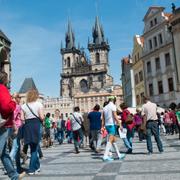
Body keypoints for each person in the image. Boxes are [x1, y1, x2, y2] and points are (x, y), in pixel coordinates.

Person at [0, 71, 26, 179]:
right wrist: (13, 102)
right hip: (3, 125)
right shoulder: (2, 88)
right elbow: (6, 107)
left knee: (4, 153)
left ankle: (13, 175)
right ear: (5, 80)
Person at [21, 89, 44, 175]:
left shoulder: (24, 106)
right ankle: (31, 169)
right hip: (35, 125)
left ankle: (37, 167)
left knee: (32, 146)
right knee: (34, 149)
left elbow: (22, 119)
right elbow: (41, 117)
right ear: (36, 96)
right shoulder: (39, 104)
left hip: (27, 126)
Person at [102, 96, 125, 161]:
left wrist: (102, 126)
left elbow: (103, 118)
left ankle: (119, 154)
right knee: (110, 140)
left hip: (107, 125)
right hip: (111, 125)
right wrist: (120, 124)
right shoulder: (113, 106)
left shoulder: (105, 107)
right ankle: (105, 156)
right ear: (114, 100)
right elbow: (115, 116)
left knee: (113, 140)